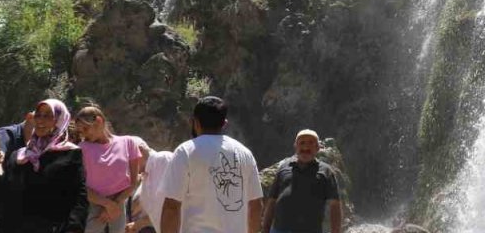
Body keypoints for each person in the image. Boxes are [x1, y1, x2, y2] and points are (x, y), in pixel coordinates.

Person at [158, 96, 263, 233]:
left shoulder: (186, 152)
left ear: (195, 122)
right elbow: (256, 205)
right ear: (224, 123)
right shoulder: (245, 153)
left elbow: (171, 207)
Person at [0, 99, 88, 233]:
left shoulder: (70, 154)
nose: (40, 120)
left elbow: (79, 197)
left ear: (59, 120)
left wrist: (74, 228)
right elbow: (5, 192)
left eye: (47, 116)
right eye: (38, 115)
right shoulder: (20, 155)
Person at [76, 105, 144, 233]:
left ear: (99, 121)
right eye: (80, 131)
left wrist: (115, 205)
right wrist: (108, 205)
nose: (83, 134)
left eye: (86, 128)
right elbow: (81, 185)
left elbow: (134, 181)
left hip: (121, 202)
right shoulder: (82, 148)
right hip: (93, 204)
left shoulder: (128, 143)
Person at [262, 130, 342, 233]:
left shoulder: (326, 171)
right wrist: (265, 229)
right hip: (279, 230)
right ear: (295, 147)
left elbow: (335, 205)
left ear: (317, 148)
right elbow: (271, 202)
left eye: (310, 143)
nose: (305, 147)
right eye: (302, 143)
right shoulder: (283, 168)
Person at [128, 143, 171, 233]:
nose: (129, 166)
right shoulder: (146, 173)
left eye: (129, 160)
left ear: (140, 151)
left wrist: (141, 223)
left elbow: (165, 205)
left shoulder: (162, 160)